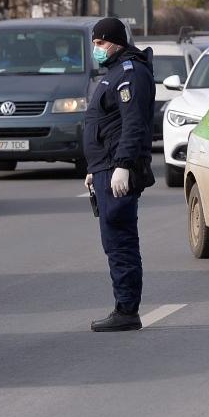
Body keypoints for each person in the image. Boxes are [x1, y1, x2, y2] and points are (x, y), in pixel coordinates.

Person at [82, 17, 155, 332]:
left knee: (121, 239)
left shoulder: (130, 74)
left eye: (101, 43)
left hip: (117, 168)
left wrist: (123, 165)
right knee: (114, 240)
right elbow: (106, 124)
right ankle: (124, 306)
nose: (96, 49)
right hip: (105, 167)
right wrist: (93, 168)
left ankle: (127, 310)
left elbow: (133, 124)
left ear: (116, 41)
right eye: (94, 44)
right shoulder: (114, 72)